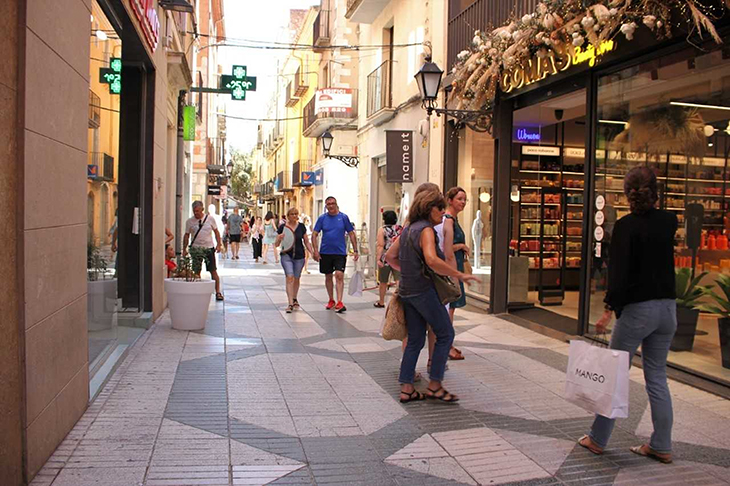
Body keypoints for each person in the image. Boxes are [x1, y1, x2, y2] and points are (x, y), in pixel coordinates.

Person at [578, 166, 677, 464]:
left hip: (637, 310)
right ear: (656, 191)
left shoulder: (626, 226)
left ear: (627, 193)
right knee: (657, 376)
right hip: (667, 310)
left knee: (615, 374)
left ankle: (597, 439)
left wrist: (609, 310)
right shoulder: (669, 222)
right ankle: (661, 444)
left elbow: (618, 275)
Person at [385, 189, 478, 403]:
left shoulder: (408, 229)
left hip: (407, 291)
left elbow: (390, 256)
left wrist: (407, 271)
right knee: (445, 333)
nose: (443, 212)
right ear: (429, 208)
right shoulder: (426, 230)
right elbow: (432, 260)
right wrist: (458, 274)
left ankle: (407, 388)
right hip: (423, 291)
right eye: (440, 208)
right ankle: (435, 385)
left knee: (415, 340)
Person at [436, 187, 470, 361]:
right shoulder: (448, 220)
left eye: (465, 199)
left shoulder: (453, 219)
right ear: (450, 200)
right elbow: (445, 249)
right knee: (449, 309)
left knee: (451, 309)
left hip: (455, 267)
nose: (463, 202)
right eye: (459, 199)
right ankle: (446, 345)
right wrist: (462, 246)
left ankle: (446, 343)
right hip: (451, 268)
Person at [311, 196, 359, 313]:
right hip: (325, 252)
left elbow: (351, 233)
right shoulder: (322, 218)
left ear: (336, 204)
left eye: (332, 203)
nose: (331, 206)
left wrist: (355, 250)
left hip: (340, 252)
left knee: (339, 274)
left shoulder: (343, 218)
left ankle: (339, 301)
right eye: (328, 204)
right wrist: (315, 251)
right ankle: (331, 299)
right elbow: (314, 234)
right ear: (326, 206)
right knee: (328, 276)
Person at [183, 200, 225, 301]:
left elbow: (216, 232)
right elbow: (186, 235)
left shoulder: (210, 219)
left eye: (198, 211)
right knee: (196, 271)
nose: (196, 213)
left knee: (213, 271)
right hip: (196, 249)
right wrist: (184, 249)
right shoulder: (189, 221)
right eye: (194, 211)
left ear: (202, 209)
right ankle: (197, 292)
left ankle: (218, 292)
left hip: (208, 248)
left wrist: (219, 244)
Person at [275, 208, 315, 313]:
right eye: (292, 214)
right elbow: (276, 244)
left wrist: (312, 252)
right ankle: (290, 303)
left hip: (299, 256)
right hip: (286, 255)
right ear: (288, 216)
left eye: (296, 214)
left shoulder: (301, 227)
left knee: (296, 278)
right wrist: (279, 238)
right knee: (290, 277)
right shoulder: (282, 227)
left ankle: (294, 298)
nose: (294, 216)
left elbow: (306, 241)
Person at [375, 210, 402, 308]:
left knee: (383, 281)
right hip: (398, 256)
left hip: (385, 258)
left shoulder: (382, 229)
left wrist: (378, 259)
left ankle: (381, 301)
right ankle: (400, 301)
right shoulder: (400, 229)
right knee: (398, 279)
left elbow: (380, 245)